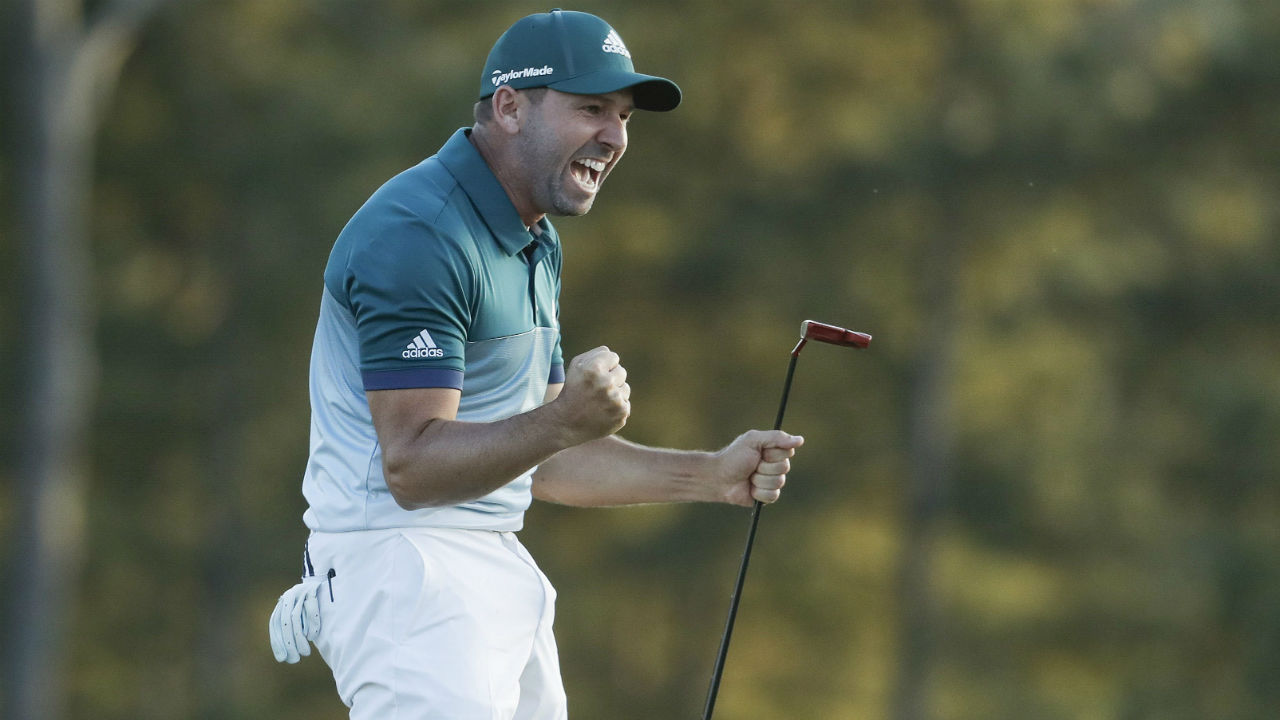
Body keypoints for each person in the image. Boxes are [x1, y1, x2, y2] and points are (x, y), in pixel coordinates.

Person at [267, 9, 804, 719]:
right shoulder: (419, 234)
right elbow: (413, 468)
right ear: (510, 107)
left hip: (489, 560)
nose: (613, 137)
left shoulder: (533, 236)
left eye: (623, 117)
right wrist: (560, 420)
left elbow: (541, 460)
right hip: (399, 569)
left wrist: (708, 475)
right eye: (591, 109)